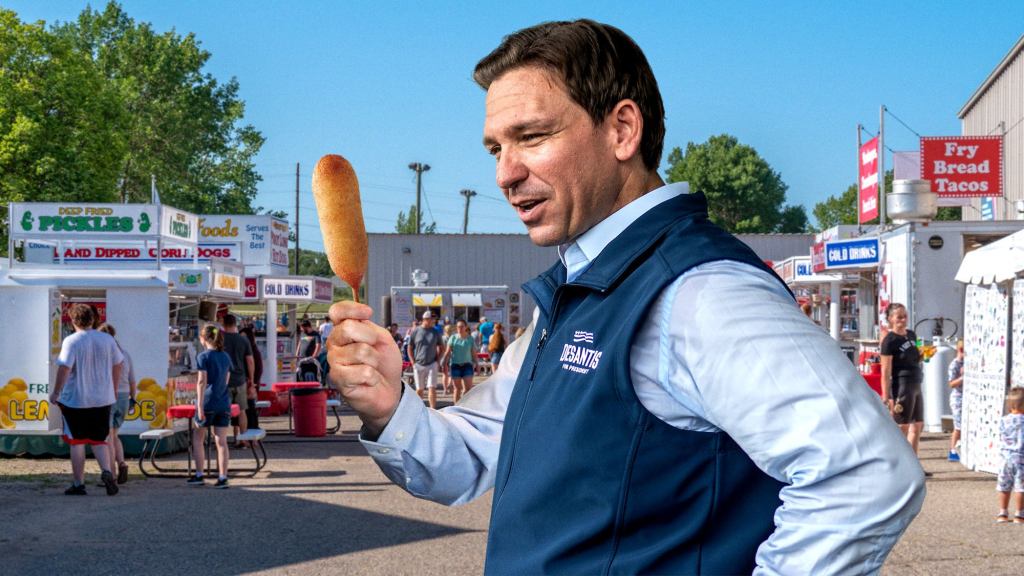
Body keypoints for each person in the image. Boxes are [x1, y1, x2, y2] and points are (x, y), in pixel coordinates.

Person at [325, 19, 923, 574]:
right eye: (495, 149)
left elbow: (866, 477)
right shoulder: (578, 290)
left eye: (532, 137)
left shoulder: (697, 288)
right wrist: (387, 406)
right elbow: (470, 456)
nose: (504, 174)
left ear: (622, 130)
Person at [49, 304, 124, 496]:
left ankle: (78, 483)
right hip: (102, 399)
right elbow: (118, 364)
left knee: (77, 441)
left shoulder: (72, 341)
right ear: (93, 319)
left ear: (73, 321)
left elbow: (64, 368)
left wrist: (56, 392)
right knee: (99, 439)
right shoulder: (107, 339)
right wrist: (113, 389)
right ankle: (107, 471)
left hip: (76, 399)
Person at [189, 324, 232, 488]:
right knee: (221, 441)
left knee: (198, 439)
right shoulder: (225, 356)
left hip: (206, 401)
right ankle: (223, 476)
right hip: (223, 402)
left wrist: (199, 406)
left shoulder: (203, 357)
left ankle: (199, 474)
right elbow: (227, 379)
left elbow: (201, 381)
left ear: (203, 339)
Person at [880, 303, 926, 455]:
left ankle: (914, 464)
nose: (903, 320)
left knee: (918, 424)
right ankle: (900, 463)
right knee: (902, 426)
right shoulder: (889, 340)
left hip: (916, 381)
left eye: (904, 316)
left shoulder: (912, 334)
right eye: (899, 317)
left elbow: (917, 355)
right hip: (902, 383)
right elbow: (885, 370)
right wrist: (886, 396)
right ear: (891, 319)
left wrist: (925, 354)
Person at [97, 324, 136, 485]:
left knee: (107, 438)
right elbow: (133, 380)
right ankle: (122, 463)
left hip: (108, 397)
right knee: (114, 435)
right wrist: (133, 398)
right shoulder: (125, 354)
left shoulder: (104, 355)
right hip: (124, 398)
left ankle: (111, 474)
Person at [221, 314, 254, 446]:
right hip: (240, 380)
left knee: (223, 411)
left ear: (223, 324)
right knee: (241, 410)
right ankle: (243, 438)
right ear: (235, 324)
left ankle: (223, 439)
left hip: (224, 380)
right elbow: (250, 361)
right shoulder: (243, 340)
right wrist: (251, 379)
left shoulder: (220, 339)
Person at [995, 387, 1024, 523]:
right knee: (1020, 487)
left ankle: (1003, 512)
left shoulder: (1003, 420)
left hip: (1005, 459)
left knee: (1003, 486)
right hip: (1020, 459)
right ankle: (1019, 514)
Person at [406, 311, 443, 409]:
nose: (433, 321)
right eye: (432, 319)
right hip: (418, 363)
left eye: (434, 319)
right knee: (419, 389)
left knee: (432, 387)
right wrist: (412, 361)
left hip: (432, 363)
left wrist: (438, 361)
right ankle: (418, 408)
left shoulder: (435, 332)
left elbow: (441, 346)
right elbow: (409, 347)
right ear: (425, 319)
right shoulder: (416, 331)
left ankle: (432, 409)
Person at [440, 320, 477, 404]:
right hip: (455, 365)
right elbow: (447, 352)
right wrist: (444, 363)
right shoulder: (453, 338)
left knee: (468, 388)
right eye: (458, 327)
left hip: (467, 365)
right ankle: (456, 406)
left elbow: (473, 353)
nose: (459, 328)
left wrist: (477, 364)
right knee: (457, 388)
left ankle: (466, 405)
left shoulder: (470, 339)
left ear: (465, 327)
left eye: (461, 326)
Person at [239, 326, 263, 431]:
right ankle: (246, 434)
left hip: (251, 384)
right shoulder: (242, 351)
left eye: (244, 338)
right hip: (244, 383)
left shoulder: (254, 351)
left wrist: (254, 383)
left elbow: (259, 368)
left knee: (250, 409)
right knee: (246, 409)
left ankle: (252, 431)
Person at [948, 339, 965, 462]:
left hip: (966, 397)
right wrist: (963, 377)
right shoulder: (954, 364)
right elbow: (951, 383)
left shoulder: (966, 363)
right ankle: (953, 450)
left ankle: (960, 448)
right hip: (958, 398)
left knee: (963, 426)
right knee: (958, 426)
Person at [440, 323, 456, 395]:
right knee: (451, 374)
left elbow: (440, 349)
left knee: (445, 374)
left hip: (444, 356)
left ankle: (445, 389)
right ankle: (450, 385)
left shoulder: (442, 338)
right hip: (452, 356)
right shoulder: (454, 337)